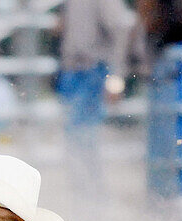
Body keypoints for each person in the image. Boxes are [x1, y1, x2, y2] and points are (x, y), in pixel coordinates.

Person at [56, 0, 135, 199]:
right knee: (78, 138)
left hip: (90, 71)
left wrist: (116, 74)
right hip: (75, 70)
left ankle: (91, 197)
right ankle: (87, 196)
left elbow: (120, 29)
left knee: (82, 137)